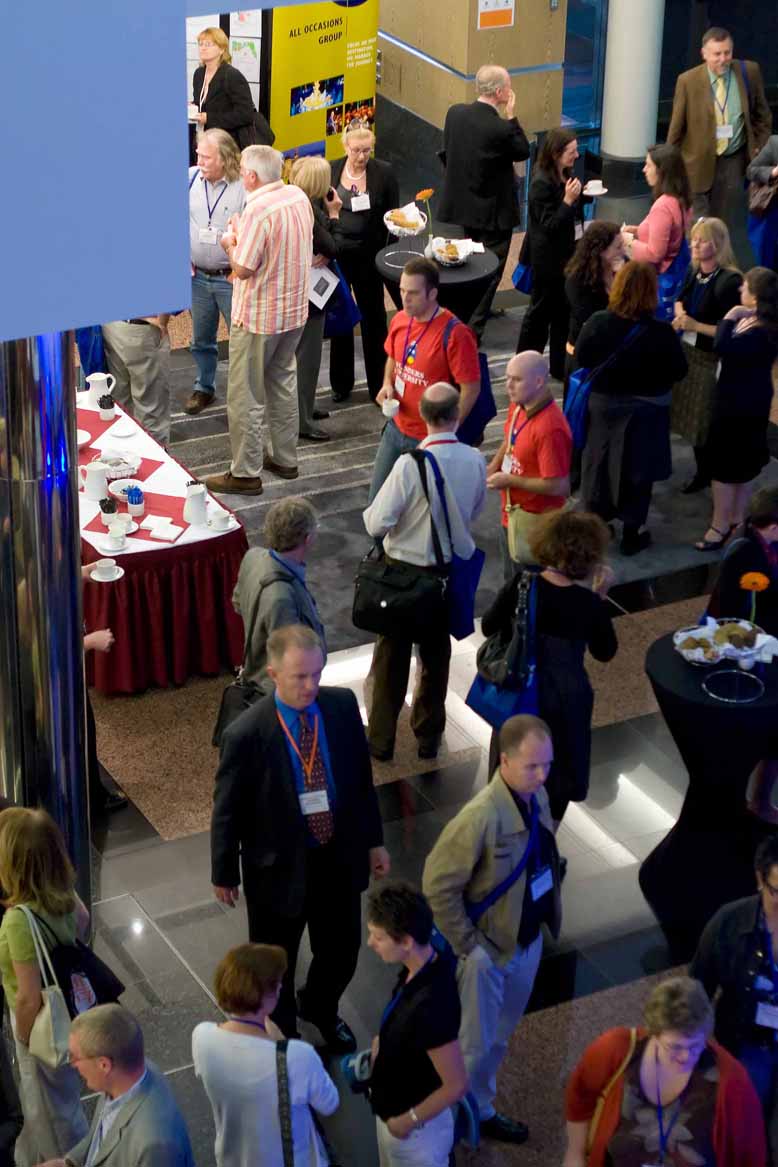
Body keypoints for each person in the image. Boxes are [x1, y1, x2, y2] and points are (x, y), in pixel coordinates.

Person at [211, 624, 390, 1048]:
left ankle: (321, 1008)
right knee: (276, 961)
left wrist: (374, 841)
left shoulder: (341, 706)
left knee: (342, 951)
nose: (311, 685)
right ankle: (284, 1030)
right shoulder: (246, 734)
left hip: (337, 856)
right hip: (277, 866)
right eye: (300, 677)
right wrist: (224, 872)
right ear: (273, 673)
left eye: (317, 673)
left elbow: (360, 781)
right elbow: (228, 809)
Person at [423, 714, 561, 1145]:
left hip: (527, 941)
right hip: (488, 953)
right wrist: (471, 946)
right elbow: (437, 885)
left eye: (547, 765)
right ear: (504, 760)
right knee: (473, 1045)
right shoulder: (480, 816)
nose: (542, 776)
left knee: (499, 1037)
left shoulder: (537, 797)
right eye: (532, 766)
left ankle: (480, 1109)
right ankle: (447, 1126)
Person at [363, 383, 486, 762]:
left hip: (401, 575)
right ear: (456, 414)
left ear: (422, 414)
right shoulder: (474, 460)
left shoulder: (409, 465)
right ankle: (428, 738)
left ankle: (381, 740)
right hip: (444, 576)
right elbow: (475, 510)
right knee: (435, 657)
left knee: (390, 659)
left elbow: (376, 522)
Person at [481, 511, 617, 824]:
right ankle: (545, 840)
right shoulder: (587, 603)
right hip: (567, 701)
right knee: (557, 778)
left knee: (511, 775)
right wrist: (600, 597)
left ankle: (508, 836)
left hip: (520, 693)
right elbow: (605, 652)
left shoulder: (521, 585)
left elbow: (488, 626)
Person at [563, 975, 766, 1167]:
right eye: (675, 1047)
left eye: (695, 1045)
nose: (686, 1057)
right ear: (653, 1033)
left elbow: (751, 1156)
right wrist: (574, 1153)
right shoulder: (615, 1049)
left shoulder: (732, 1081)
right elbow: (580, 1098)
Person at [205, 146, 313, 496]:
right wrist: (243, 233)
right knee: (282, 383)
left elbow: (243, 268)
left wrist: (229, 242)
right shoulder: (297, 196)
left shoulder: (257, 209)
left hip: (258, 318)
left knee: (245, 395)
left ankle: (245, 472)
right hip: (293, 312)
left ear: (251, 176)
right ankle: (285, 458)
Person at [576, 261, 688, 556]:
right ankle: (632, 533)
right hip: (645, 413)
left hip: (603, 408)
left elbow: (583, 358)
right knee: (638, 474)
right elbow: (679, 370)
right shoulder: (661, 333)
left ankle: (597, 526)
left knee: (598, 466)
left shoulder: (598, 322)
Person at [193, 943, 338, 1167]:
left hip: (234, 1157)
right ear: (267, 998)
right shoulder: (297, 1057)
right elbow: (329, 1103)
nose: (281, 987)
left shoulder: (202, 1036)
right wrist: (280, 1041)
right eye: (278, 984)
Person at [0, 808, 89, 1166]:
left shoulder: (18, 920)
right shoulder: (63, 893)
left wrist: (24, 1040)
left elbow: (27, 997)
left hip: (38, 1027)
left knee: (47, 1110)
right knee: (65, 1098)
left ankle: (63, 1160)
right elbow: (82, 921)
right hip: (67, 1011)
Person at [367, 882, 467, 1167]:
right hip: (394, 1113)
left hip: (415, 1135)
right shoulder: (422, 965)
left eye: (378, 937)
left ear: (407, 942)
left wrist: (407, 1121)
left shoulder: (432, 1006)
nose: (370, 943)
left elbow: (456, 1084)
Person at [690, 835, 778, 1160]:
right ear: (760, 880)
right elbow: (695, 993)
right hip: (748, 1045)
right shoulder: (729, 923)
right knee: (744, 1128)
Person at [370, 257, 481, 503]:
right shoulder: (400, 319)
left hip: (428, 437)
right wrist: (387, 383)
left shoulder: (456, 334)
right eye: (402, 290)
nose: (404, 298)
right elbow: (393, 356)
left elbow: (471, 388)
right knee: (378, 503)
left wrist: (448, 430)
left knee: (423, 509)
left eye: (413, 293)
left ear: (432, 293)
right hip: (395, 427)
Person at [436, 64, 531, 341]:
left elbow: (449, 152)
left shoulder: (455, 113)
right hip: (494, 214)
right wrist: (512, 116)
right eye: (509, 86)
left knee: (466, 265)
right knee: (491, 271)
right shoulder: (501, 128)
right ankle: (470, 331)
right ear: (500, 92)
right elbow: (522, 151)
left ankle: (457, 319)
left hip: (462, 208)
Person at [42, 1004, 194, 1167]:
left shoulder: (155, 1145)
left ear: (104, 1065)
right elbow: (101, 1136)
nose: (72, 1064)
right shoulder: (124, 1075)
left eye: (75, 1057)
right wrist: (68, 1163)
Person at [695, 267, 778, 551]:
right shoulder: (761, 322)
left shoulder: (760, 331)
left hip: (738, 404)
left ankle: (720, 525)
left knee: (726, 465)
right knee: (742, 463)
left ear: (756, 296)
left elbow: (723, 346)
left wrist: (730, 316)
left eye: (745, 287)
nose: (740, 289)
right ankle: (736, 520)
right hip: (747, 400)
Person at [667, 26, 772, 220]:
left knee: (722, 224)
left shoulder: (749, 72)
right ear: (704, 54)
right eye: (717, 54)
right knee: (698, 226)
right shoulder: (687, 81)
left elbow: (762, 115)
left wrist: (761, 149)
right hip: (696, 164)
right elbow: (676, 129)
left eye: (727, 52)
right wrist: (669, 170)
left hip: (733, 161)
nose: (723, 59)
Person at [329, 120, 399, 402]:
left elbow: (393, 217)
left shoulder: (384, 173)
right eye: (357, 150)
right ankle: (341, 384)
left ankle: (378, 386)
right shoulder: (332, 169)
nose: (361, 156)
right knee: (342, 317)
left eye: (367, 150)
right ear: (345, 146)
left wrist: (386, 256)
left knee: (374, 319)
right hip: (339, 254)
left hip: (370, 256)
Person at [670, 217, 742, 493]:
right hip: (689, 353)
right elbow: (679, 299)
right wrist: (680, 315)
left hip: (712, 360)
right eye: (694, 240)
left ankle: (711, 474)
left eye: (702, 240)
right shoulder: (694, 270)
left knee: (705, 420)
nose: (695, 245)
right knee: (691, 418)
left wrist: (695, 325)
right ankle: (703, 471)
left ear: (718, 244)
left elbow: (730, 331)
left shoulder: (729, 281)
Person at [485, 351, 571, 578]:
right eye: (507, 378)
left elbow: (559, 486)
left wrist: (510, 480)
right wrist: (493, 465)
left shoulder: (549, 429)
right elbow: (509, 438)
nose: (508, 386)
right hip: (512, 514)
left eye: (517, 379)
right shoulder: (519, 405)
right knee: (511, 578)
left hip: (535, 523)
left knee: (528, 582)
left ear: (539, 381)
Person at [232, 497, 326, 692]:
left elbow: (237, 603)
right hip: (279, 690)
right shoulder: (281, 598)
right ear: (307, 539)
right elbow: (293, 660)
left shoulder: (252, 557)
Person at [186, 129, 247, 415]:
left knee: (241, 340)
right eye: (198, 154)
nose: (199, 161)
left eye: (206, 157)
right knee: (201, 339)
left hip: (230, 278)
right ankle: (204, 387)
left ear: (224, 158)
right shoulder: (189, 179)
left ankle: (242, 396)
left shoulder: (243, 187)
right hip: (197, 277)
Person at [516, 128, 582, 381]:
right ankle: (524, 366)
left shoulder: (564, 173)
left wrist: (578, 196)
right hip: (546, 261)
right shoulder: (540, 183)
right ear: (556, 153)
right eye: (571, 151)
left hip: (566, 257)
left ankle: (558, 366)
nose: (576, 155)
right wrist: (568, 201)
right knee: (539, 315)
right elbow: (550, 225)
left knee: (563, 314)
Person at [290, 155, 343, 442]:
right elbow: (333, 246)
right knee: (306, 360)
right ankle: (302, 421)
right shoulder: (309, 210)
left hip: (304, 291)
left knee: (307, 359)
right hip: (309, 297)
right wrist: (334, 215)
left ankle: (306, 408)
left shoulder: (298, 201)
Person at [191, 27, 274, 155]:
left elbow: (245, 114)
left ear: (222, 49)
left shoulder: (231, 75)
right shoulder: (199, 74)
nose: (203, 48)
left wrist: (209, 118)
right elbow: (203, 103)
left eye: (208, 44)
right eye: (200, 44)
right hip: (205, 140)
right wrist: (193, 107)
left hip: (228, 144)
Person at [709, 485, 778, 634]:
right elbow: (731, 609)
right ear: (773, 528)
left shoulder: (765, 535)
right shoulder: (742, 555)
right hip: (753, 626)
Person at [564, 221, 626, 378]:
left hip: (616, 352)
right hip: (584, 357)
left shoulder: (624, 270)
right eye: (618, 247)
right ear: (601, 250)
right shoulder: (577, 280)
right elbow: (594, 320)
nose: (623, 251)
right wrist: (618, 286)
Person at [622, 144, 693, 279]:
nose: (644, 170)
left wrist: (629, 242)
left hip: (657, 277)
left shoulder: (663, 207)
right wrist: (637, 230)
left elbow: (655, 254)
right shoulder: (681, 197)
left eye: (648, 165)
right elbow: (669, 233)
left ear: (661, 171)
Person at [101, 313, 171, 446]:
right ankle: (151, 455)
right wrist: (162, 322)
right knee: (151, 410)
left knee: (121, 402)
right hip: (141, 329)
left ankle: (123, 454)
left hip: (111, 325)